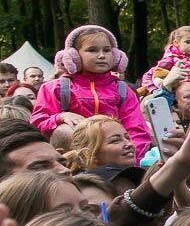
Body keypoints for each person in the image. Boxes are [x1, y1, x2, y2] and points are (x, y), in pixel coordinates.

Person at [31, 27, 154, 160]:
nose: (101, 55)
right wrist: (60, 117)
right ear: (74, 56)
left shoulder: (123, 91)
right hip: (72, 165)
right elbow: (37, 125)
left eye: (106, 50)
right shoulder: (54, 88)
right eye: (92, 50)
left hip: (115, 165)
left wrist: (131, 162)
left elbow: (137, 132)